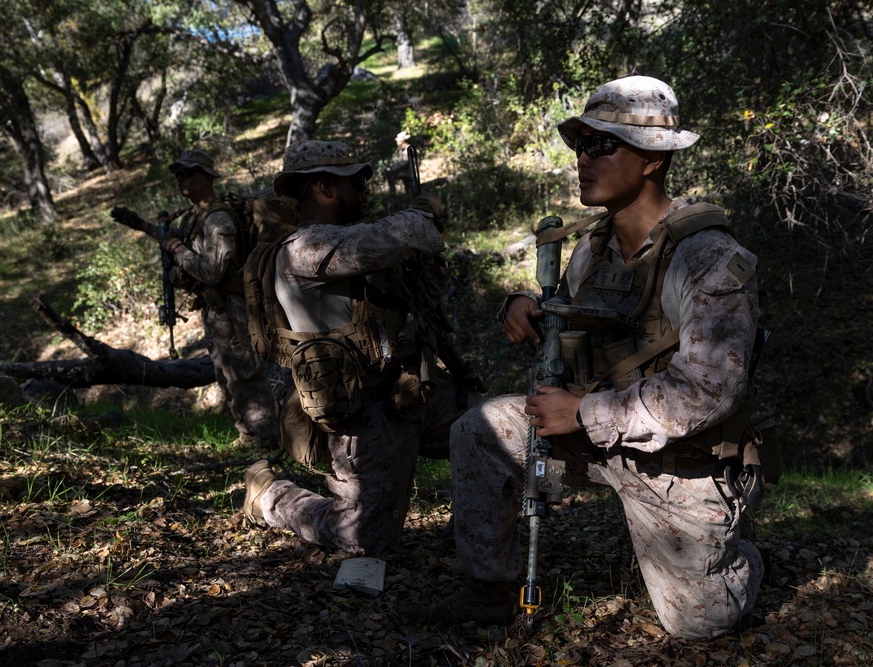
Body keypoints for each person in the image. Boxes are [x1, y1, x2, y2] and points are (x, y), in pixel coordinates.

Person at [421, 75, 765, 638]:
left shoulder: (709, 259)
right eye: (580, 144)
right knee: (479, 429)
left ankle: (739, 557)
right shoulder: (593, 246)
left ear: (653, 159)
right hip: (598, 436)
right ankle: (490, 588)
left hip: (681, 462)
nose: (583, 158)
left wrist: (583, 414)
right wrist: (529, 307)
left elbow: (706, 392)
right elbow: (580, 320)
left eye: (602, 145)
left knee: (700, 625)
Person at [241, 139, 483, 556]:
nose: (366, 190)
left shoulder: (349, 247)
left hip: (411, 393)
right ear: (325, 187)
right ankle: (270, 495)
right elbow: (376, 242)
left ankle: (474, 533)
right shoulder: (303, 249)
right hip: (362, 417)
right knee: (364, 538)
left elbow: (414, 294)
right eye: (357, 181)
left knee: (496, 435)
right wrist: (420, 214)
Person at [110, 149, 281, 451]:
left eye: (186, 173)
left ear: (205, 177)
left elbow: (212, 270)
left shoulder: (217, 219)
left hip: (233, 309)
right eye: (177, 174)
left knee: (245, 373)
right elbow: (175, 238)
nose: (180, 179)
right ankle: (247, 434)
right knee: (225, 371)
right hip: (215, 310)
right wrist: (143, 226)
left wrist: (177, 250)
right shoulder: (195, 216)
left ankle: (267, 439)